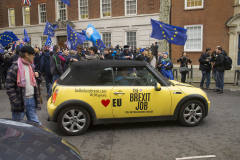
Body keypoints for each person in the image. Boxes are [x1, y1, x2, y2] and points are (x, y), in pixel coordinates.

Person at [5, 46, 42, 124]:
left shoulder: (31, 66)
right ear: (26, 54)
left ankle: (41, 136)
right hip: (20, 101)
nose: (34, 56)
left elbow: (34, 81)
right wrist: (16, 101)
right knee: (17, 126)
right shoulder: (15, 67)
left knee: (36, 124)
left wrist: (38, 75)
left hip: (31, 100)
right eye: (32, 54)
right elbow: (8, 86)